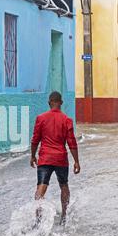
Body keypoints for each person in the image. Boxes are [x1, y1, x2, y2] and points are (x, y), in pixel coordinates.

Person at [30, 92, 80, 225]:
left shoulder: (41, 118)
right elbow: (72, 142)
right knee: (64, 185)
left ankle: (38, 219)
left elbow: (35, 139)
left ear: (49, 102)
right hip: (60, 158)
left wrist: (32, 156)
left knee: (41, 187)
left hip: (45, 158)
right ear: (61, 103)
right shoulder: (67, 120)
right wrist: (76, 161)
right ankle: (64, 216)